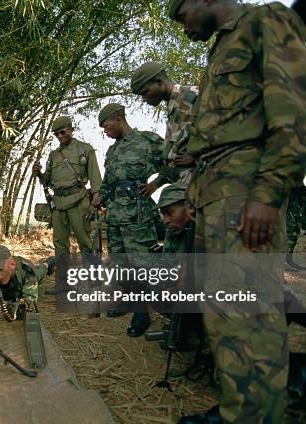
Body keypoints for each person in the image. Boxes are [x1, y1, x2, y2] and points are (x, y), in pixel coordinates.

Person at [169, 0, 306, 422]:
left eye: (181, 14)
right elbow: (216, 136)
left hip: (246, 195)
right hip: (217, 196)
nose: (183, 26)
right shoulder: (219, 52)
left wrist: (268, 191)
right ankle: (239, 410)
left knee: (249, 317)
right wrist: (192, 199)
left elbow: (293, 112)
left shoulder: (267, 20)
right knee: (224, 319)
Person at [98, 103, 165, 337]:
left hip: (138, 216)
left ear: (117, 118)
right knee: (121, 264)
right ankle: (129, 301)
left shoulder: (148, 141)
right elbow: (107, 184)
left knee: (141, 265)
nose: (104, 132)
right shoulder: (112, 151)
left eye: (105, 126)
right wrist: (98, 197)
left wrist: (156, 183)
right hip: (115, 216)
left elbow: (175, 162)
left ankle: (142, 313)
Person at [32, 116, 102, 261]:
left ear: (71, 129)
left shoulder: (85, 149)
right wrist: (39, 174)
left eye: (62, 132)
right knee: (60, 245)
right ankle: (63, 282)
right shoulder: (54, 155)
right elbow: (47, 181)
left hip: (78, 201)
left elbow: (96, 179)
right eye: (56, 134)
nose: (59, 136)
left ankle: (94, 281)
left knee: (86, 243)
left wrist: (94, 203)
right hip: (58, 204)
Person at [130, 61, 198, 191]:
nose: (144, 99)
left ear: (159, 81)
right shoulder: (173, 108)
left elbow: (226, 127)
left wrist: (197, 154)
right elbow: (175, 154)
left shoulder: (193, 95)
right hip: (186, 185)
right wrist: (156, 184)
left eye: (145, 92)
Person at [0, 246, 50, 316]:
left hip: (29, 274)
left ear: (12, 265)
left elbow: (30, 306)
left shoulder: (26, 272)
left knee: (41, 271)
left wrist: (7, 307)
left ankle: (49, 263)